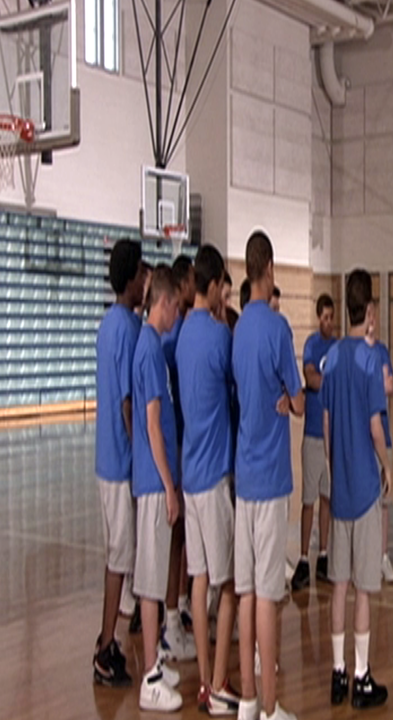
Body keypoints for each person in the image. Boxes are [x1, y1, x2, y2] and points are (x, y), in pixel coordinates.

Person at [233, 231, 304, 720]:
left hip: (243, 474)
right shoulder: (278, 329)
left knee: (244, 591)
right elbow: (298, 401)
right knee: (268, 595)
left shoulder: (238, 330)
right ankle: (270, 706)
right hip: (273, 476)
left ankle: (246, 700)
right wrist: (288, 397)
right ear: (271, 269)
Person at [176, 244, 240, 715]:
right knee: (230, 584)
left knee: (199, 578)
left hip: (189, 473)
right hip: (215, 474)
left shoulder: (180, 336)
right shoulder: (220, 337)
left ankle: (204, 678)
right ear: (214, 285)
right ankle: (218, 685)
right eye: (223, 286)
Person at [322, 269, 389, 710]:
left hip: (341, 486)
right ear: (368, 310)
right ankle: (362, 676)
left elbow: (327, 424)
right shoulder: (368, 360)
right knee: (363, 590)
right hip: (364, 489)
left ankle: (337, 672)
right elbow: (373, 425)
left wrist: (332, 464)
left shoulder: (330, 360)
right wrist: (387, 463)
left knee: (339, 588)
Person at [93, 239, 145, 687]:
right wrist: (144, 450)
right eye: (143, 272)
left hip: (105, 459)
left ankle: (115, 633)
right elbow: (129, 403)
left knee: (120, 554)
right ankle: (105, 646)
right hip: (121, 460)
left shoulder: (108, 324)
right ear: (131, 278)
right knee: (120, 556)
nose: (147, 280)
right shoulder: (127, 327)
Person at [132, 265, 183, 711]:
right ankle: (149, 675)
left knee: (152, 576)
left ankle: (156, 660)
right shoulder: (149, 349)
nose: (176, 316)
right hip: (152, 482)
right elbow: (151, 423)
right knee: (150, 582)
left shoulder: (151, 346)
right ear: (163, 303)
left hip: (155, 481)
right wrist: (169, 485)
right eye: (175, 307)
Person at [158, 254, 197, 659]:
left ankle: (179, 608)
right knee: (174, 538)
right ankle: (168, 621)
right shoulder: (173, 338)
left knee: (182, 536)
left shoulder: (179, 332)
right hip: (180, 445)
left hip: (183, 444)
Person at [291, 294, 336, 591]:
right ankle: (303, 558)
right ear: (318, 317)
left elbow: (327, 379)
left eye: (332, 317)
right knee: (308, 500)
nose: (328, 322)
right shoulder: (311, 344)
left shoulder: (337, 347)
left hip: (331, 436)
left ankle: (323, 556)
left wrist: (327, 379)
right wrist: (326, 379)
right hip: (311, 434)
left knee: (326, 499)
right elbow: (311, 376)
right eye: (324, 317)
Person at [365, 301, 393, 583]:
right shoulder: (359, 351)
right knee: (367, 500)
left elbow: (390, 385)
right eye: (369, 313)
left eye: (376, 313)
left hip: (383, 433)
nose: (372, 318)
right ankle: (366, 556)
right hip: (364, 436)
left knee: (384, 500)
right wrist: (379, 381)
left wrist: (377, 382)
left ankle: (383, 556)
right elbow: (380, 384)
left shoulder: (383, 350)